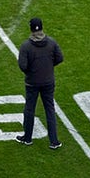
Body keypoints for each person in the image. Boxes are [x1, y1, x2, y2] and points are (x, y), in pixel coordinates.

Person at [14, 17, 64, 149]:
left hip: (32, 82)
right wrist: (48, 66)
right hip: (48, 81)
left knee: (29, 109)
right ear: (42, 27)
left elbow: (23, 65)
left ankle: (28, 137)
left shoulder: (26, 46)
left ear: (31, 29)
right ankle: (54, 141)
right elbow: (60, 58)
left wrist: (33, 70)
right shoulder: (51, 42)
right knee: (50, 109)